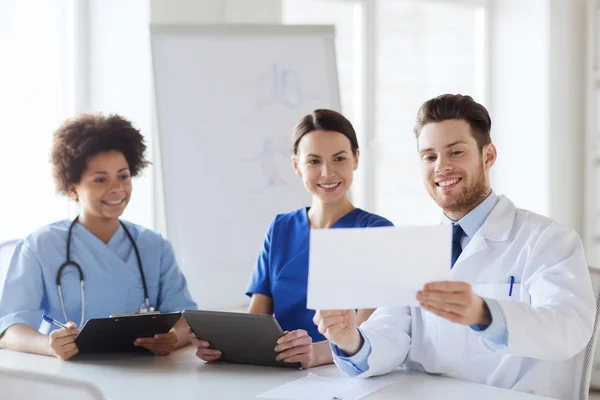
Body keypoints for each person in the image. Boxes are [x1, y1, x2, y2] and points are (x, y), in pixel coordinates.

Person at [313, 94, 596, 399]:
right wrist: (351, 340)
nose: (441, 167)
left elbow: (568, 329)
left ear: (488, 156)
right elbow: (392, 332)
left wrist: (484, 313)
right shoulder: (414, 248)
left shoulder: (548, 240)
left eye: (456, 152)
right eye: (429, 156)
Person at [192, 109, 393, 368]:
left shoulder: (378, 233)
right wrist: (223, 346)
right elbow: (256, 321)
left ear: (356, 159)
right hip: (281, 374)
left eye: (339, 158)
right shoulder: (281, 228)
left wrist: (315, 354)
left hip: (346, 375)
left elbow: (370, 333)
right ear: (297, 166)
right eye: (313, 161)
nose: (327, 172)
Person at [0, 114, 197, 360]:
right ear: (73, 188)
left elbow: (186, 319)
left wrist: (173, 339)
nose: (117, 188)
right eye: (100, 179)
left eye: (123, 176)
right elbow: (10, 329)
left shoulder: (154, 245)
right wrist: (49, 346)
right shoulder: (40, 246)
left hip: (146, 373)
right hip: (71, 378)